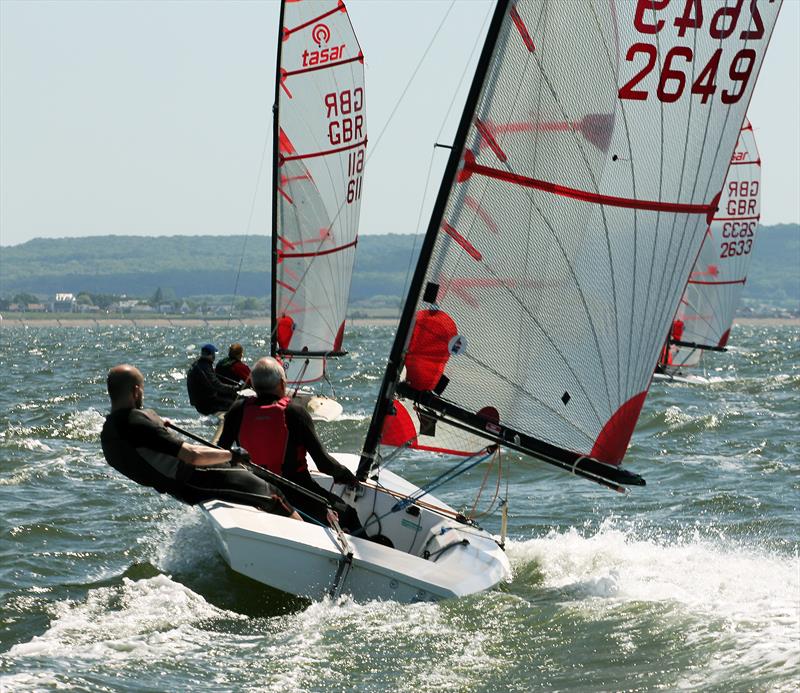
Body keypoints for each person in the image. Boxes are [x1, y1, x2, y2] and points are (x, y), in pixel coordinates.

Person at [101, 364, 301, 519]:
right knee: (274, 495)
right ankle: (306, 540)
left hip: (182, 487)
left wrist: (157, 427)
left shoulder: (109, 430)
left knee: (255, 478)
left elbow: (146, 451)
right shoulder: (135, 422)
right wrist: (233, 454)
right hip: (196, 478)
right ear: (136, 391)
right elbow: (192, 456)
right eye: (142, 390)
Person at [218, 356, 363, 532]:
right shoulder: (295, 412)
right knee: (348, 515)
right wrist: (347, 477)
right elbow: (324, 464)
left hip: (256, 489)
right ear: (281, 384)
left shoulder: (237, 410)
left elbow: (219, 453)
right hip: (298, 493)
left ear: (253, 384)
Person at [186, 343, 239, 415]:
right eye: (214, 354)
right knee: (238, 405)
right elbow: (217, 385)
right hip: (206, 404)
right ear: (211, 355)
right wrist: (236, 388)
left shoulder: (198, 365)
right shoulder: (205, 367)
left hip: (200, 402)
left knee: (230, 398)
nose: (214, 357)